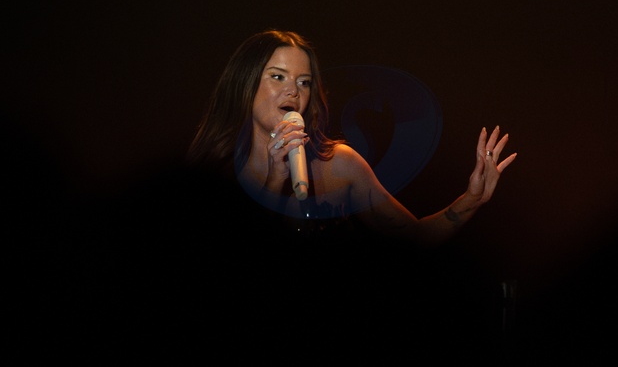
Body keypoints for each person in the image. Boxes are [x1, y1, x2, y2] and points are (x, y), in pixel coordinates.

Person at [186, 29, 517, 249]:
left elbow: (412, 238)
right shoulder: (213, 172)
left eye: (304, 82)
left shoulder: (339, 165)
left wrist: (471, 199)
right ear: (245, 84)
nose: (293, 91)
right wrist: (274, 182)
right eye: (278, 76)